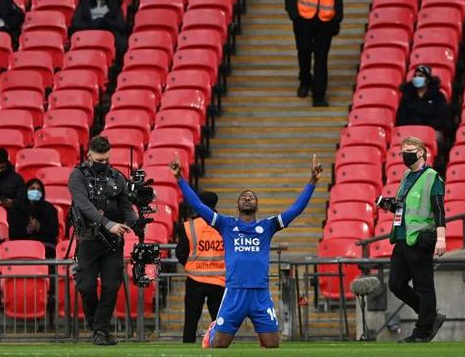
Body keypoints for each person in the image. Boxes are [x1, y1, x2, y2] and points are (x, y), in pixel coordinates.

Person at [170, 153, 322, 348]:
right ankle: (213, 332)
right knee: (219, 346)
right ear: (238, 205)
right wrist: (179, 179)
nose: (247, 198)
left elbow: (296, 209)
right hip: (234, 293)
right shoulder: (226, 224)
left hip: (260, 294)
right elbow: (198, 205)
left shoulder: (267, 226)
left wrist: (312, 182)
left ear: (257, 205)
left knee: (272, 345)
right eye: (244, 197)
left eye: (251, 197)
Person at [68, 136, 138, 346]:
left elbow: (126, 206)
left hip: (113, 241)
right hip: (89, 239)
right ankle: (98, 327)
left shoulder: (117, 177)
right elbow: (84, 205)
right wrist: (108, 223)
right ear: (89, 155)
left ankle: (100, 331)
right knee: (86, 286)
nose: (103, 164)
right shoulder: (77, 175)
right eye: (99, 160)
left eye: (106, 159)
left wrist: (136, 221)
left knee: (111, 286)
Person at [380, 137, 446, 343]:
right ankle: (430, 317)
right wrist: (391, 205)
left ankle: (423, 331)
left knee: (423, 286)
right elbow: (404, 206)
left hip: (420, 238)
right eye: (402, 151)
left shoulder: (432, 177)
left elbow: (439, 210)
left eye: (409, 150)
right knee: (396, 284)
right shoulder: (407, 175)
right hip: (401, 237)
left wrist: (441, 238)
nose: (404, 154)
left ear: (421, 152)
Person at [176, 190, 225, 343]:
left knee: (191, 318)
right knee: (219, 319)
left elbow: (181, 253)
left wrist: (192, 264)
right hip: (219, 279)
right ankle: (221, 343)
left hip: (195, 279)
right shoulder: (226, 224)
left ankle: (188, 343)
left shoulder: (188, 226)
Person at [70, 0, 128, 64]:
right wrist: (93, 24)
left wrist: (104, 22)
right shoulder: (84, 2)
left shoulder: (114, 2)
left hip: (110, 40)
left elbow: (121, 25)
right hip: (87, 39)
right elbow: (76, 24)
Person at [395, 65, 449, 144]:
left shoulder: (438, 96)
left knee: (436, 137)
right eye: (415, 76)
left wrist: (424, 127)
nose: (417, 78)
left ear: (427, 79)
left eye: (421, 76)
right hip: (409, 131)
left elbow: (442, 118)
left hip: (429, 131)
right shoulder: (407, 96)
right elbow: (400, 118)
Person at [8, 178, 59, 258]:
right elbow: (12, 233)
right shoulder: (16, 208)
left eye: (39, 189)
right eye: (32, 189)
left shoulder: (50, 209)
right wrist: (27, 230)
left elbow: (54, 232)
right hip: (21, 244)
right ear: (26, 190)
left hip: (44, 245)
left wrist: (39, 227)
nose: (36, 192)